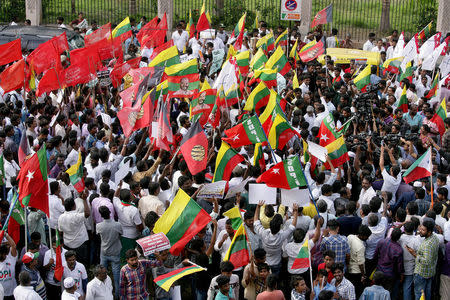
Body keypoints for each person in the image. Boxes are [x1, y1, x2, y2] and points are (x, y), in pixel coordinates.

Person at [406, 218, 439, 300]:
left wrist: (414, 254)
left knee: (419, 295)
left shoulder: (428, 245)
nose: (420, 231)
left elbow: (426, 261)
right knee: (427, 293)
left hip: (422, 273)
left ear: (429, 232)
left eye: (423, 230)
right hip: (430, 272)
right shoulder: (434, 238)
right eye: (420, 228)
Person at [96, 205, 122, 298]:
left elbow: (100, 237)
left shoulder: (99, 226)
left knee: (101, 274)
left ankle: (103, 294)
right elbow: (120, 234)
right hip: (115, 251)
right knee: (116, 276)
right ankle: (117, 295)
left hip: (104, 252)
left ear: (101, 215)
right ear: (110, 213)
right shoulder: (117, 225)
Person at [58, 193, 90, 266]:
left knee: (70, 263)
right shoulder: (76, 216)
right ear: (73, 206)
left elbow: (60, 231)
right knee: (81, 264)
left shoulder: (61, 217)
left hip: (67, 244)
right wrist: (84, 200)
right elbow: (87, 213)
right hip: (80, 243)